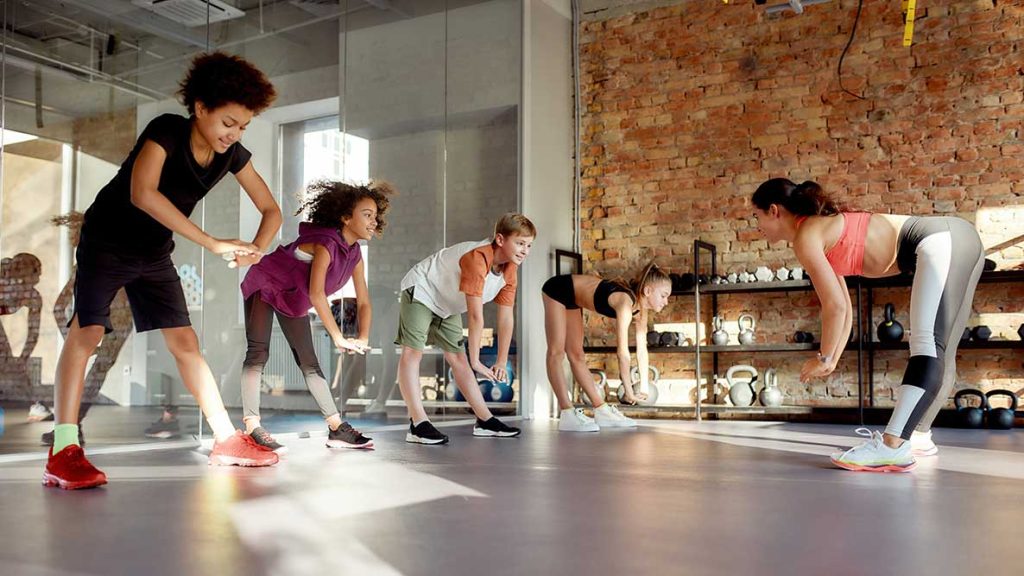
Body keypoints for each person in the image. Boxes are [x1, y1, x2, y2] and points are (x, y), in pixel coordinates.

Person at [44, 51, 283, 490]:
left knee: (185, 340)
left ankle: (226, 439)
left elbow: (271, 210)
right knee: (88, 333)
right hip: (108, 240)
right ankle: (62, 449)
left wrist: (256, 249)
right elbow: (143, 194)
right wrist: (212, 242)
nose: (235, 133)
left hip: (153, 251)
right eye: (228, 122)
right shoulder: (166, 131)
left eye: (244, 126)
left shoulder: (232, 156)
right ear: (201, 108)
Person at [752, 178, 984, 472]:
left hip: (941, 240)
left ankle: (892, 446)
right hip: (961, 238)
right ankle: (919, 437)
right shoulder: (817, 231)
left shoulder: (806, 236)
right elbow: (844, 306)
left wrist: (823, 357)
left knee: (927, 344)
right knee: (943, 350)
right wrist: (831, 359)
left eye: (756, 215)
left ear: (773, 210)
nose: (756, 224)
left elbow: (833, 307)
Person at [238, 180, 393, 453]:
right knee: (258, 353)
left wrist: (362, 337)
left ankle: (336, 428)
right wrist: (338, 338)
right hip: (266, 283)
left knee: (309, 361)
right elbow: (318, 294)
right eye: (366, 215)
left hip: (293, 295)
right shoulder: (325, 244)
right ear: (346, 218)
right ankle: (252, 427)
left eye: (375, 216)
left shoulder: (355, 255)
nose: (373, 221)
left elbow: (364, 302)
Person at [396, 214, 535, 444]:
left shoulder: (510, 270)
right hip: (423, 289)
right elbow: (475, 315)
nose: (525, 251)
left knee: (458, 358)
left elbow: (506, 318)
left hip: (447, 304)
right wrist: (478, 361)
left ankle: (485, 420)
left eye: (529, 245)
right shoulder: (477, 258)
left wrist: (501, 361)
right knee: (412, 353)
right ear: (500, 239)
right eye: (520, 243)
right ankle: (418, 423)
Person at [542, 262, 671, 431]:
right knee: (556, 352)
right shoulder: (625, 304)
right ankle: (566, 412)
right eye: (663, 295)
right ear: (648, 291)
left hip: (573, 298)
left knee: (577, 355)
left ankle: (601, 409)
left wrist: (644, 385)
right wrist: (628, 389)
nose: (666, 301)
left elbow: (642, 350)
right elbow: (622, 353)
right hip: (557, 289)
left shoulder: (641, 310)